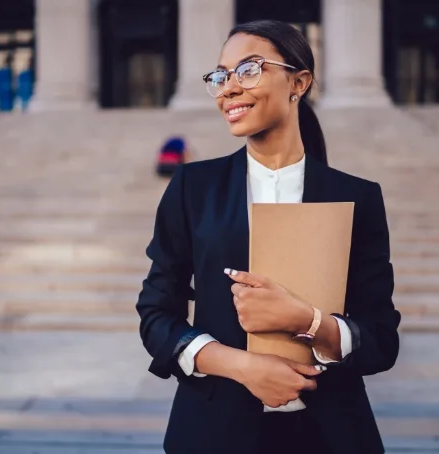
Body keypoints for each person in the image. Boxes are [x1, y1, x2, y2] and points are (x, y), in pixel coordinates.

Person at [137, 20, 400, 454]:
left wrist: (307, 322)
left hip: (332, 435)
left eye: (248, 70)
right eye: (221, 76)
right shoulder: (191, 187)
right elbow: (156, 314)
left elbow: (381, 339)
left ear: (299, 81)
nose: (228, 88)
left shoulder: (357, 196)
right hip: (212, 434)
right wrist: (243, 366)